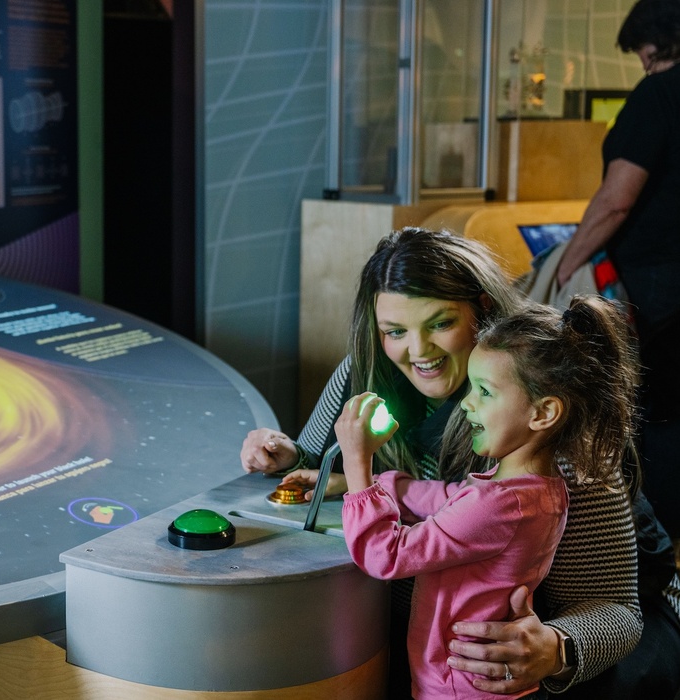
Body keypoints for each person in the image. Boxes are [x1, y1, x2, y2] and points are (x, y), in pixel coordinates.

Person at [241, 228, 680, 698]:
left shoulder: (547, 411)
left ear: (483, 310)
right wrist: (289, 455)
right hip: (431, 642)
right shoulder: (365, 369)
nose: (418, 351)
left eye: (440, 323)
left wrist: (555, 647)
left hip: (551, 654)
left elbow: (615, 610)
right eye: (394, 331)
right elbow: (324, 464)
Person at [339, 296, 637, 699]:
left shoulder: (499, 503)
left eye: (484, 391)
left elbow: (386, 555)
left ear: (543, 413)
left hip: (455, 683)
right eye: (395, 330)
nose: (466, 403)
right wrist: (387, 485)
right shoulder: (537, 491)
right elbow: (454, 498)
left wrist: (358, 465)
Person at [555, 0, 680, 538]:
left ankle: (649, 549)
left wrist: (566, 263)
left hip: (657, 285)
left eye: (644, 55)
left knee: (656, 415)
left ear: (659, 42)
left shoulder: (658, 95)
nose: (644, 66)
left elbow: (616, 201)